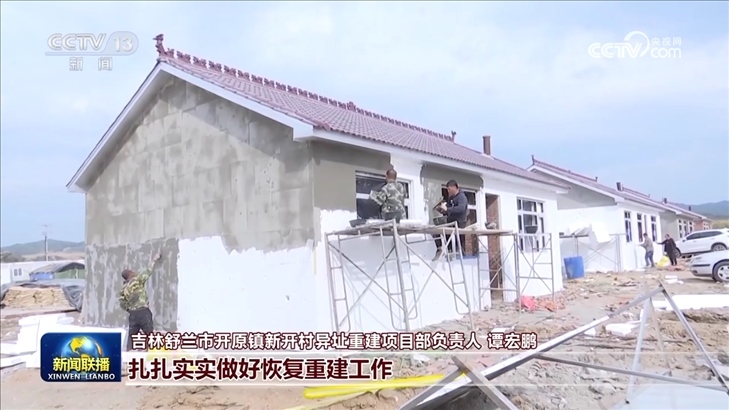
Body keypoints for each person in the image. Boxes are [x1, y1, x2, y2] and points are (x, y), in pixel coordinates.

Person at [119, 251, 162, 351]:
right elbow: (148, 271)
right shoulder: (137, 280)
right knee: (149, 334)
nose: (134, 272)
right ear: (130, 274)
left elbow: (122, 304)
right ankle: (150, 353)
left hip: (133, 314)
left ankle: (128, 354)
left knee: (132, 337)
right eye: (132, 272)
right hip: (143, 312)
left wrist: (130, 310)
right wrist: (155, 259)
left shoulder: (123, 288)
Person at [432, 180, 468, 261]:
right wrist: (441, 210)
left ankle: (454, 250)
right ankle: (440, 248)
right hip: (451, 221)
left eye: (449, 189)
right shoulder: (451, 198)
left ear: (454, 187)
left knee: (446, 231)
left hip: (459, 222)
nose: (448, 191)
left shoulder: (461, 197)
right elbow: (448, 210)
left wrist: (448, 209)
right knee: (435, 228)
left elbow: (461, 208)